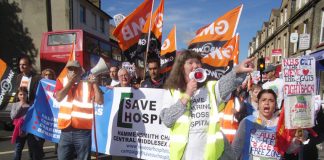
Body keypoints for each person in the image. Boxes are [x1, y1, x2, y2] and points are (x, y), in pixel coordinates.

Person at [160, 50, 254, 160]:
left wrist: (238, 70)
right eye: (190, 63)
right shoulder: (172, 92)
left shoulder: (210, 88)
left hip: (211, 156)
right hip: (183, 156)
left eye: (198, 63)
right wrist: (187, 95)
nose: (195, 66)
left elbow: (227, 83)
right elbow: (167, 119)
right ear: (181, 68)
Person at [54, 60, 103, 160]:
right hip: (65, 130)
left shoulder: (87, 84)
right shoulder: (61, 81)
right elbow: (59, 97)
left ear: (80, 71)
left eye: (75, 69)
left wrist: (95, 84)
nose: (72, 71)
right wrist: (71, 82)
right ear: (67, 70)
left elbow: (100, 101)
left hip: (83, 131)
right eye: (70, 69)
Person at [232, 89, 300, 160]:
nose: (267, 103)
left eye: (271, 100)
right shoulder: (247, 121)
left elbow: (289, 149)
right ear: (258, 103)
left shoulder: (282, 125)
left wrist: (297, 139)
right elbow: (235, 149)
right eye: (263, 100)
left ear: (275, 105)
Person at [15, 56, 44, 160]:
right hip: (21, 113)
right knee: (19, 143)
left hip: (32, 113)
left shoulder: (37, 78)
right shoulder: (18, 77)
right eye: (20, 65)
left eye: (24, 64)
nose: (21, 66)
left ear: (30, 66)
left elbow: (40, 94)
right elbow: (17, 94)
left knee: (33, 144)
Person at [11, 87, 30, 160]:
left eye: (24, 94)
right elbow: (13, 117)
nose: (23, 96)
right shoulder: (15, 105)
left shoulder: (30, 105)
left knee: (32, 149)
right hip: (19, 130)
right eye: (21, 94)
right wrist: (20, 106)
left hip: (29, 131)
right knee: (18, 148)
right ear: (17, 95)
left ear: (27, 95)